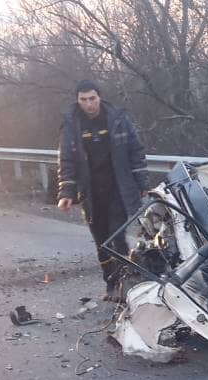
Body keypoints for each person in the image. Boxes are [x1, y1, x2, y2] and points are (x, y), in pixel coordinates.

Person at [56, 79, 147, 302]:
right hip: (91, 193)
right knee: (101, 240)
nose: (89, 104)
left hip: (118, 188)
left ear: (100, 97)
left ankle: (126, 284)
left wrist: (142, 183)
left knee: (117, 236)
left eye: (92, 99)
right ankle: (111, 283)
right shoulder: (71, 125)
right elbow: (66, 160)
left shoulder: (118, 120)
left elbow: (136, 151)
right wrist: (66, 193)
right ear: (77, 101)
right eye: (84, 100)